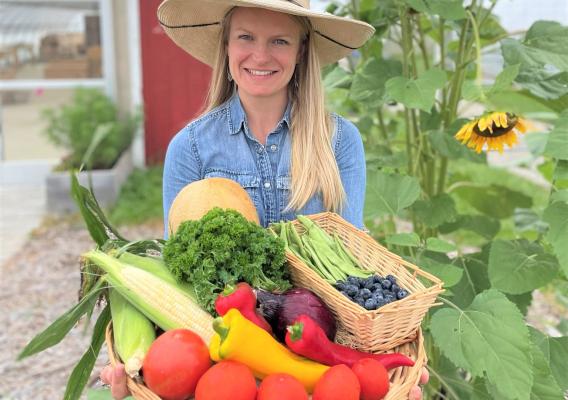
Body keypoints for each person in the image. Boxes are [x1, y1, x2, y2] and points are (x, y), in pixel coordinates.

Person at [101, 0, 429, 397]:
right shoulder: (190, 148)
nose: (260, 55)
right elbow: (179, 273)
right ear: (226, 45)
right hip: (224, 353)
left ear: (301, 50)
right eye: (246, 37)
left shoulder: (339, 142)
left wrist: (380, 366)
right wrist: (144, 363)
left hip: (321, 347)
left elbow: (354, 267)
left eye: (279, 40)